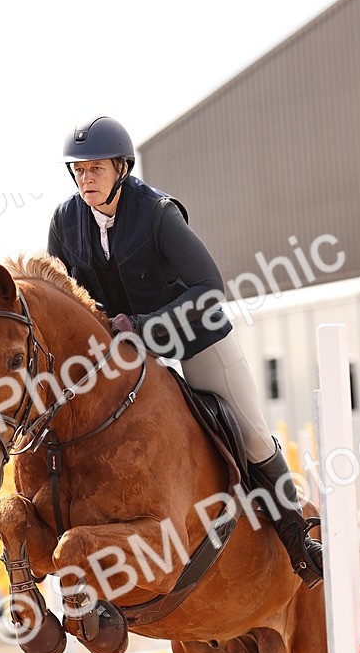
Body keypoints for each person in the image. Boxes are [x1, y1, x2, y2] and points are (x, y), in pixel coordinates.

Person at [47, 116, 324, 589]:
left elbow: (209, 288)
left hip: (193, 339)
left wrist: (143, 326)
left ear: (121, 168)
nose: (86, 179)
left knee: (253, 436)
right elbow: (61, 294)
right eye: (79, 170)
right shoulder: (64, 222)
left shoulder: (156, 213)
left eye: (95, 169)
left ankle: (297, 540)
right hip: (124, 357)